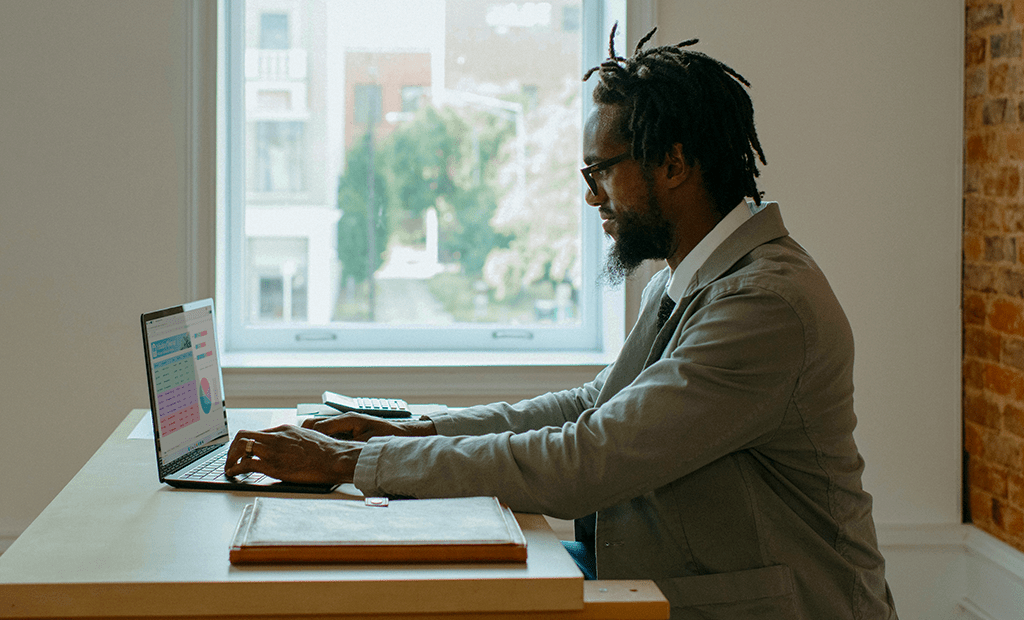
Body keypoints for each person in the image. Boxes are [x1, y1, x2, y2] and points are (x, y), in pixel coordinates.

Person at [226, 26, 898, 619]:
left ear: (674, 162)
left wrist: (357, 461)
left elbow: (589, 456)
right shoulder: (685, 279)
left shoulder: (766, 306)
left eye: (601, 171)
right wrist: (411, 429)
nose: (590, 196)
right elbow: (590, 406)